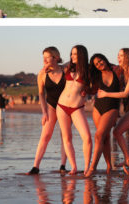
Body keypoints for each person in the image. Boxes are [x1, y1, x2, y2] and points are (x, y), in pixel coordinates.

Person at [27, 47, 68, 175]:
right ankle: (36, 166)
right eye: (43, 57)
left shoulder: (65, 69)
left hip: (65, 106)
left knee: (65, 137)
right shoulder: (42, 73)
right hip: (50, 106)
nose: (44, 59)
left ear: (56, 57)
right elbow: (40, 94)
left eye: (47, 57)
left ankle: (63, 165)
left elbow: (73, 61)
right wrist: (44, 112)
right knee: (45, 136)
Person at [57, 45, 92, 175]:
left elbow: (95, 85)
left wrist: (87, 91)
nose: (72, 56)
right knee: (67, 138)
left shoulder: (89, 70)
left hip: (77, 107)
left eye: (75, 54)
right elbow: (55, 66)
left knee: (87, 137)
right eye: (71, 54)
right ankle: (74, 167)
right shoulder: (68, 67)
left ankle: (87, 167)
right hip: (61, 106)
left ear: (82, 55)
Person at [85, 54, 121, 177]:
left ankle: (92, 167)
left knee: (98, 136)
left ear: (104, 58)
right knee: (104, 137)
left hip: (112, 107)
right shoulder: (96, 75)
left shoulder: (117, 70)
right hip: (98, 107)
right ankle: (109, 166)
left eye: (100, 60)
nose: (99, 64)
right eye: (96, 64)